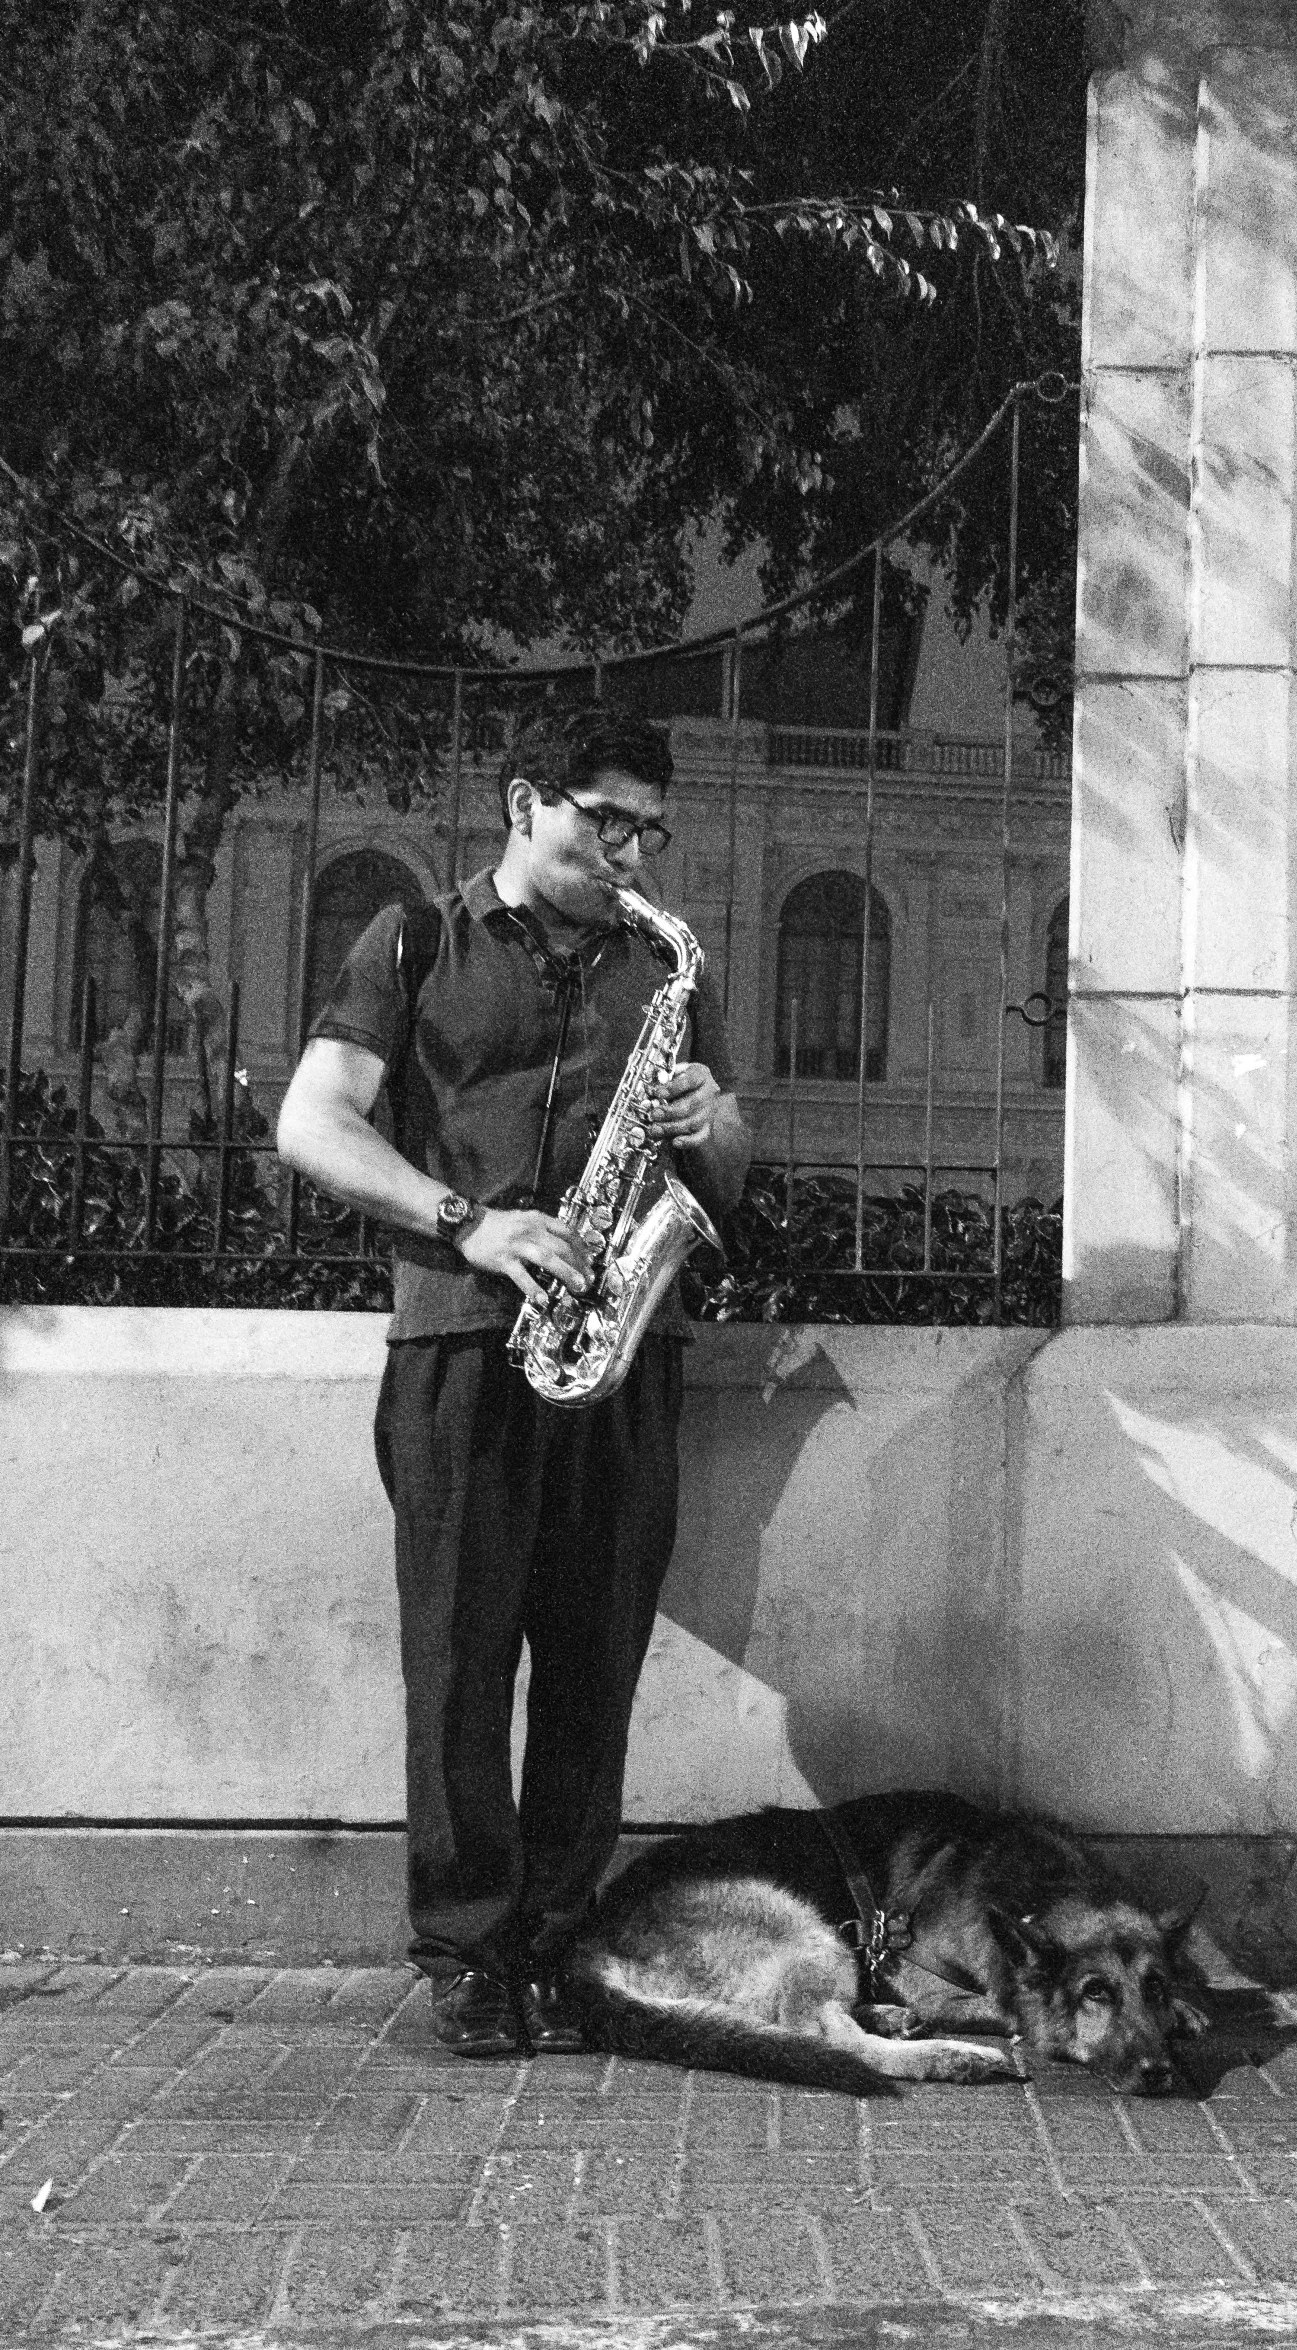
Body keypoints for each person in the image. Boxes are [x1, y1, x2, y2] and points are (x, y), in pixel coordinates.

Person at [276, 707, 751, 2057]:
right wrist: (464, 1221)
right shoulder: (416, 936)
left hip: (624, 1350)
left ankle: (557, 1936)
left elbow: (728, 1171)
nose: (633, 849)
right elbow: (311, 1121)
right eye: (608, 819)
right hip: (458, 1341)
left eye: (652, 827)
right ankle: (469, 1952)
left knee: (594, 1669)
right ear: (525, 800)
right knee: (460, 1663)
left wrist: (713, 1126)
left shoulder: (660, 962)